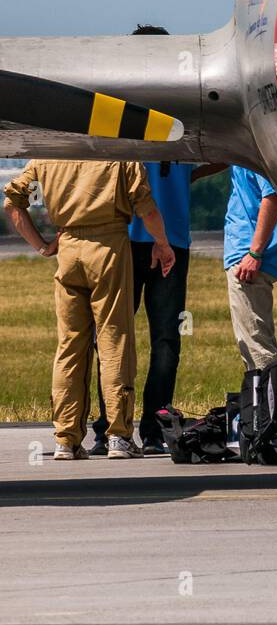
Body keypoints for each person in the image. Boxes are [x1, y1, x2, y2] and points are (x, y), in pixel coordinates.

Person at [88, 24, 226, 457]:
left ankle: (111, 426)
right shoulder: (183, 110)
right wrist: (185, 177)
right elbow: (222, 153)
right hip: (174, 239)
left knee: (112, 336)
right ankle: (154, 426)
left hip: (124, 236)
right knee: (166, 337)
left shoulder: (118, 108)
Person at [4, 159, 175, 460]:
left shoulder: (46, 158)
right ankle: (119, 436)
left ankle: (65, 439)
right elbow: (146, 210)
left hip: (68, 248)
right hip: (109, 248)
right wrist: (162, 242)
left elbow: (12, 204)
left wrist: (42, 246)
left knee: (70, 346)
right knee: (114, 340)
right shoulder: (119, 155)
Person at [224, 167, 277, 370]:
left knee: (256, 344)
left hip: (247, 256)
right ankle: (264, 395)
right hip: (246, 252)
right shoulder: (244, 153)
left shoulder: (255, 155)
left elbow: (272, 197)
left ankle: (269, 397)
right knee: (253, 339)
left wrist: (254, 252)